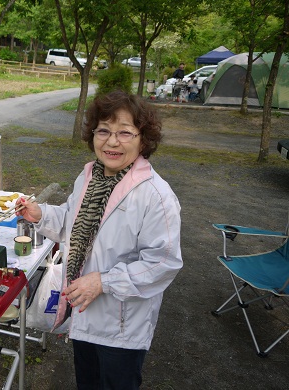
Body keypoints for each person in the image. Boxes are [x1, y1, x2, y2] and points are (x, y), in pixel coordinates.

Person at [16, 90, 183, 390]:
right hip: (83, 314)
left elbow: (163, 262)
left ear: (143, 140)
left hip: (121, 325)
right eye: (103, 130)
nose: (112, 141)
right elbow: (73, 219)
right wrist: (40, 215)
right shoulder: (89, 176)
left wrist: (104, 282)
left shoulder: (155, 196)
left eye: (125, 132)